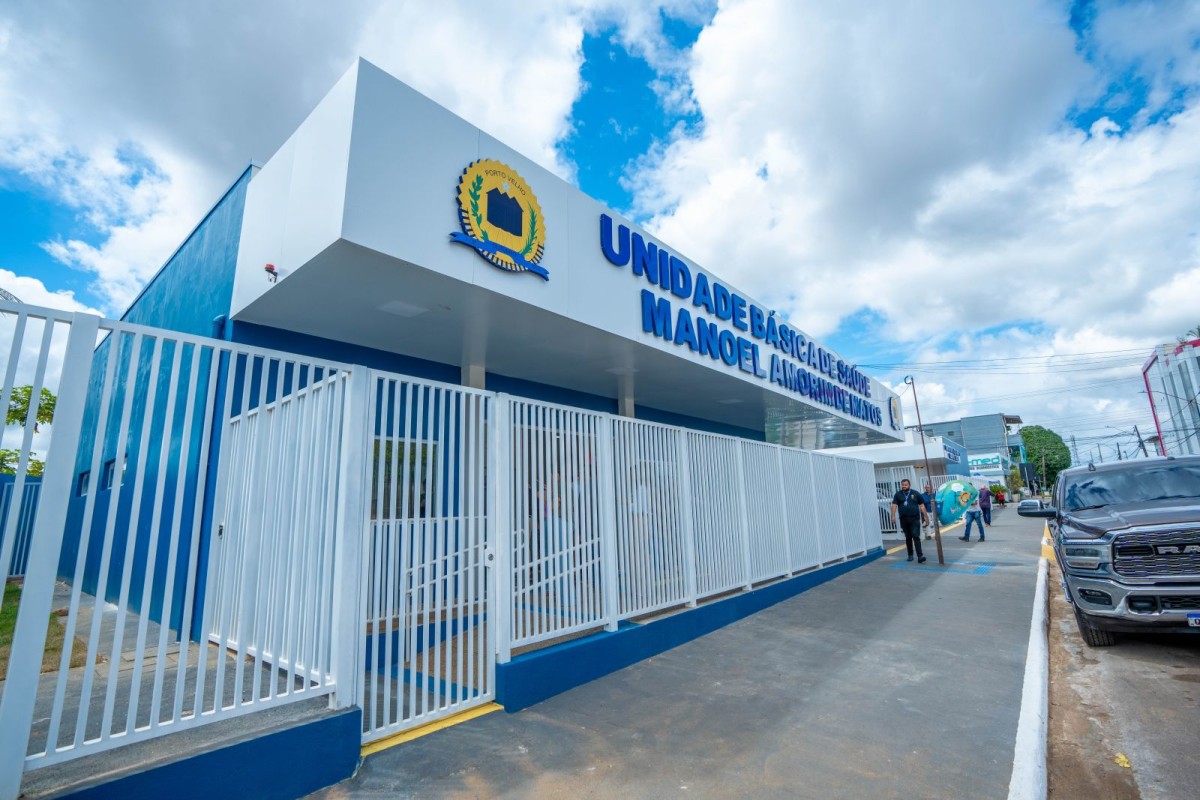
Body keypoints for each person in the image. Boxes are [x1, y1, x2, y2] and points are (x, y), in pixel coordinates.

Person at [891, 479, 930, 563]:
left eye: (905, 485)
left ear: (909, 485)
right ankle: (910, 555)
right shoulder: (898, 494)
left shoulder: (916, 493)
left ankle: (920, 556)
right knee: (908, 537)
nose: (904, 486)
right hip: (904, 519)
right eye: (903, 485)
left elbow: (922, 506)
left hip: (914, 519)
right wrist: (892, 516)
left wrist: (926, 517)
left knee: (916, 536)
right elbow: (894, 505)